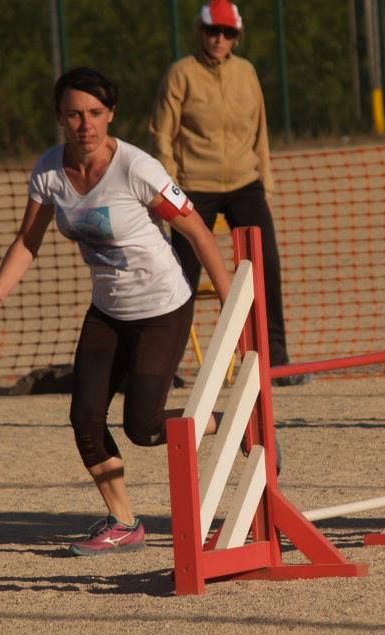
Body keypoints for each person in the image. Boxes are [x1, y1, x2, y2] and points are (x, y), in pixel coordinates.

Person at [0, 67, 233, 556]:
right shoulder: (49, 172)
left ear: (110, 115)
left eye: (94, 113)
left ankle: (233, 421)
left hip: (161, 307)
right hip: (108, 310)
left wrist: (231, 300)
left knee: (144, 428)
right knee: (85, 419)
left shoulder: (138, 168)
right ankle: (124, 522)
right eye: (73, 114)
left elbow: (195, 230)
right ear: (60, 117)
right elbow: (28, 241)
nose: (84, 124)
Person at [149, 0, 308, 386]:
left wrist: (265, 179)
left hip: (243, 183)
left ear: (237, 36)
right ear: (200, 31)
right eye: (212, 31)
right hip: (192, 187)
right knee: (179, 274)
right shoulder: (180, 74)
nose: (219, 39)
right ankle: (160, 368)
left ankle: (276, 362)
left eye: (228, 33)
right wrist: (170, 189)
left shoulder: (247, 72)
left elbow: (260, 130)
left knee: (264, 265)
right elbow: (161, 135)